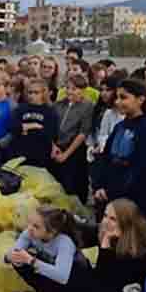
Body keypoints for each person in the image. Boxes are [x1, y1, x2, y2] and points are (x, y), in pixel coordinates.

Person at [5, 206, 93, 292]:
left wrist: (31, 260)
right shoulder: (29, 233)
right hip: (53, 276)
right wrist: (11, 256)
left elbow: (62, 277)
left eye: (36, 226)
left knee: (74, 269)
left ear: (52, 232)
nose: (30, 228)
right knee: (20, 259)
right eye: (29, 223)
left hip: (77, 286)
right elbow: (11, 254)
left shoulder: (64, 242)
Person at [93, 79, 146, 224]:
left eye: (123, 97)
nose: (118, 102)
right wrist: (99, 185)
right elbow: (106, 158)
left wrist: (113, 191)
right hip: (110, 196)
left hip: (133, 201)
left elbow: (143, 170)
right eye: (117, 97)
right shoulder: (120, 126)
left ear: (140, 99)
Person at [91, 199, 146, 292]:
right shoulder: (105, 233)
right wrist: (105, 244)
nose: (106, 221)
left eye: (113, 219)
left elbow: (130, 277)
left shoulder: (140, 242)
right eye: (105, 215)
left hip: (137, 290)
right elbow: (101, 274)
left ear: (126, 223)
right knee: (91, 278)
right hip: (120, 286)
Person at [52, 74, 93, 203]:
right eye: (67, 88)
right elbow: (50, 127)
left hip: (74, 149)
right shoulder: (58, 105)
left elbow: (83, 133)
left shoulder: (87, 106)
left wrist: (66, 154)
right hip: (56, 147)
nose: (70, 91)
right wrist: (54, 147)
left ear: (83, 90)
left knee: (73, 184)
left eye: (74, 89)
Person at [8, 78, 58, 170]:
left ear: (43, 93)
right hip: (19, 155)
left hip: (40, 157)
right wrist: (34, 125)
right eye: (30, 92)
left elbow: (50, 134)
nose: (32, 95)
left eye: (36, 92)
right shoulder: (20, 108)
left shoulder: (50, 111)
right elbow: (13, 128)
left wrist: (24, 129)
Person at [87, 73, 125, 166]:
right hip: (100, 155)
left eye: (108, 90)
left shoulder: (122, 112)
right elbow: (99, 134)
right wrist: (94, 148)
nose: (103, 93)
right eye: (101, 90)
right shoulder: (103, 111)